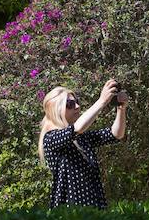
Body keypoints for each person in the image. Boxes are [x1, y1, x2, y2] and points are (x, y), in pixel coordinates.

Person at [38, 79, 128, 209]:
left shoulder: (80, 138)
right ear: (56, 109)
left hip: (94, 205)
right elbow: (77, 128)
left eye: (77, 102)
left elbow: (116, 134)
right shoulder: (51, 138)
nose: (77, 107)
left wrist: (121, 108)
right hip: (69, 211)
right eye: (70, 104)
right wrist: (102, 101)